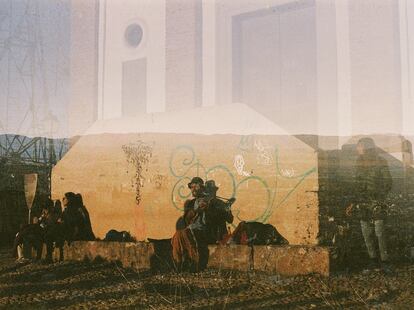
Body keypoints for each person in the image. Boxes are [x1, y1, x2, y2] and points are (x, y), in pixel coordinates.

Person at [346, 137, 392, 270]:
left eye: (360, 146)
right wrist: (355, 201)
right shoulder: (358, 162)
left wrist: (379, 197)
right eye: (357, 147)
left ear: (367, 147)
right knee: (366, 231)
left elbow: (388, 182)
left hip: (377, 201)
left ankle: (384, 260)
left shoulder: (381, 161)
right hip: (362, 201)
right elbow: (356, 183)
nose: (358, 149)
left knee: (379, 230)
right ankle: (372, 259)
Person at [172, 177, 209, 271]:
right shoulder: (191, 202)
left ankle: (195, 264)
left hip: (202, 231)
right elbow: (187, 218)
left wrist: (200, 206)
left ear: (201, 188)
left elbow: (201, 210)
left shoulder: (205, 200)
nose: (193, 189)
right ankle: (178, 264)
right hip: (190, 229)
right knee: (177, 235)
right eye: (191, 187)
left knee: (185, 233)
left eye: (196, 187)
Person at [203, 180, 234, 244]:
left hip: (222, 238)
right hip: (208, 239)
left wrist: (228, 208)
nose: (211, 192)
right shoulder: (203, 204)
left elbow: (230, 220)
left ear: (215, 191)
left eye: (212, 190)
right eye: (208, 191)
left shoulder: (221, 204)